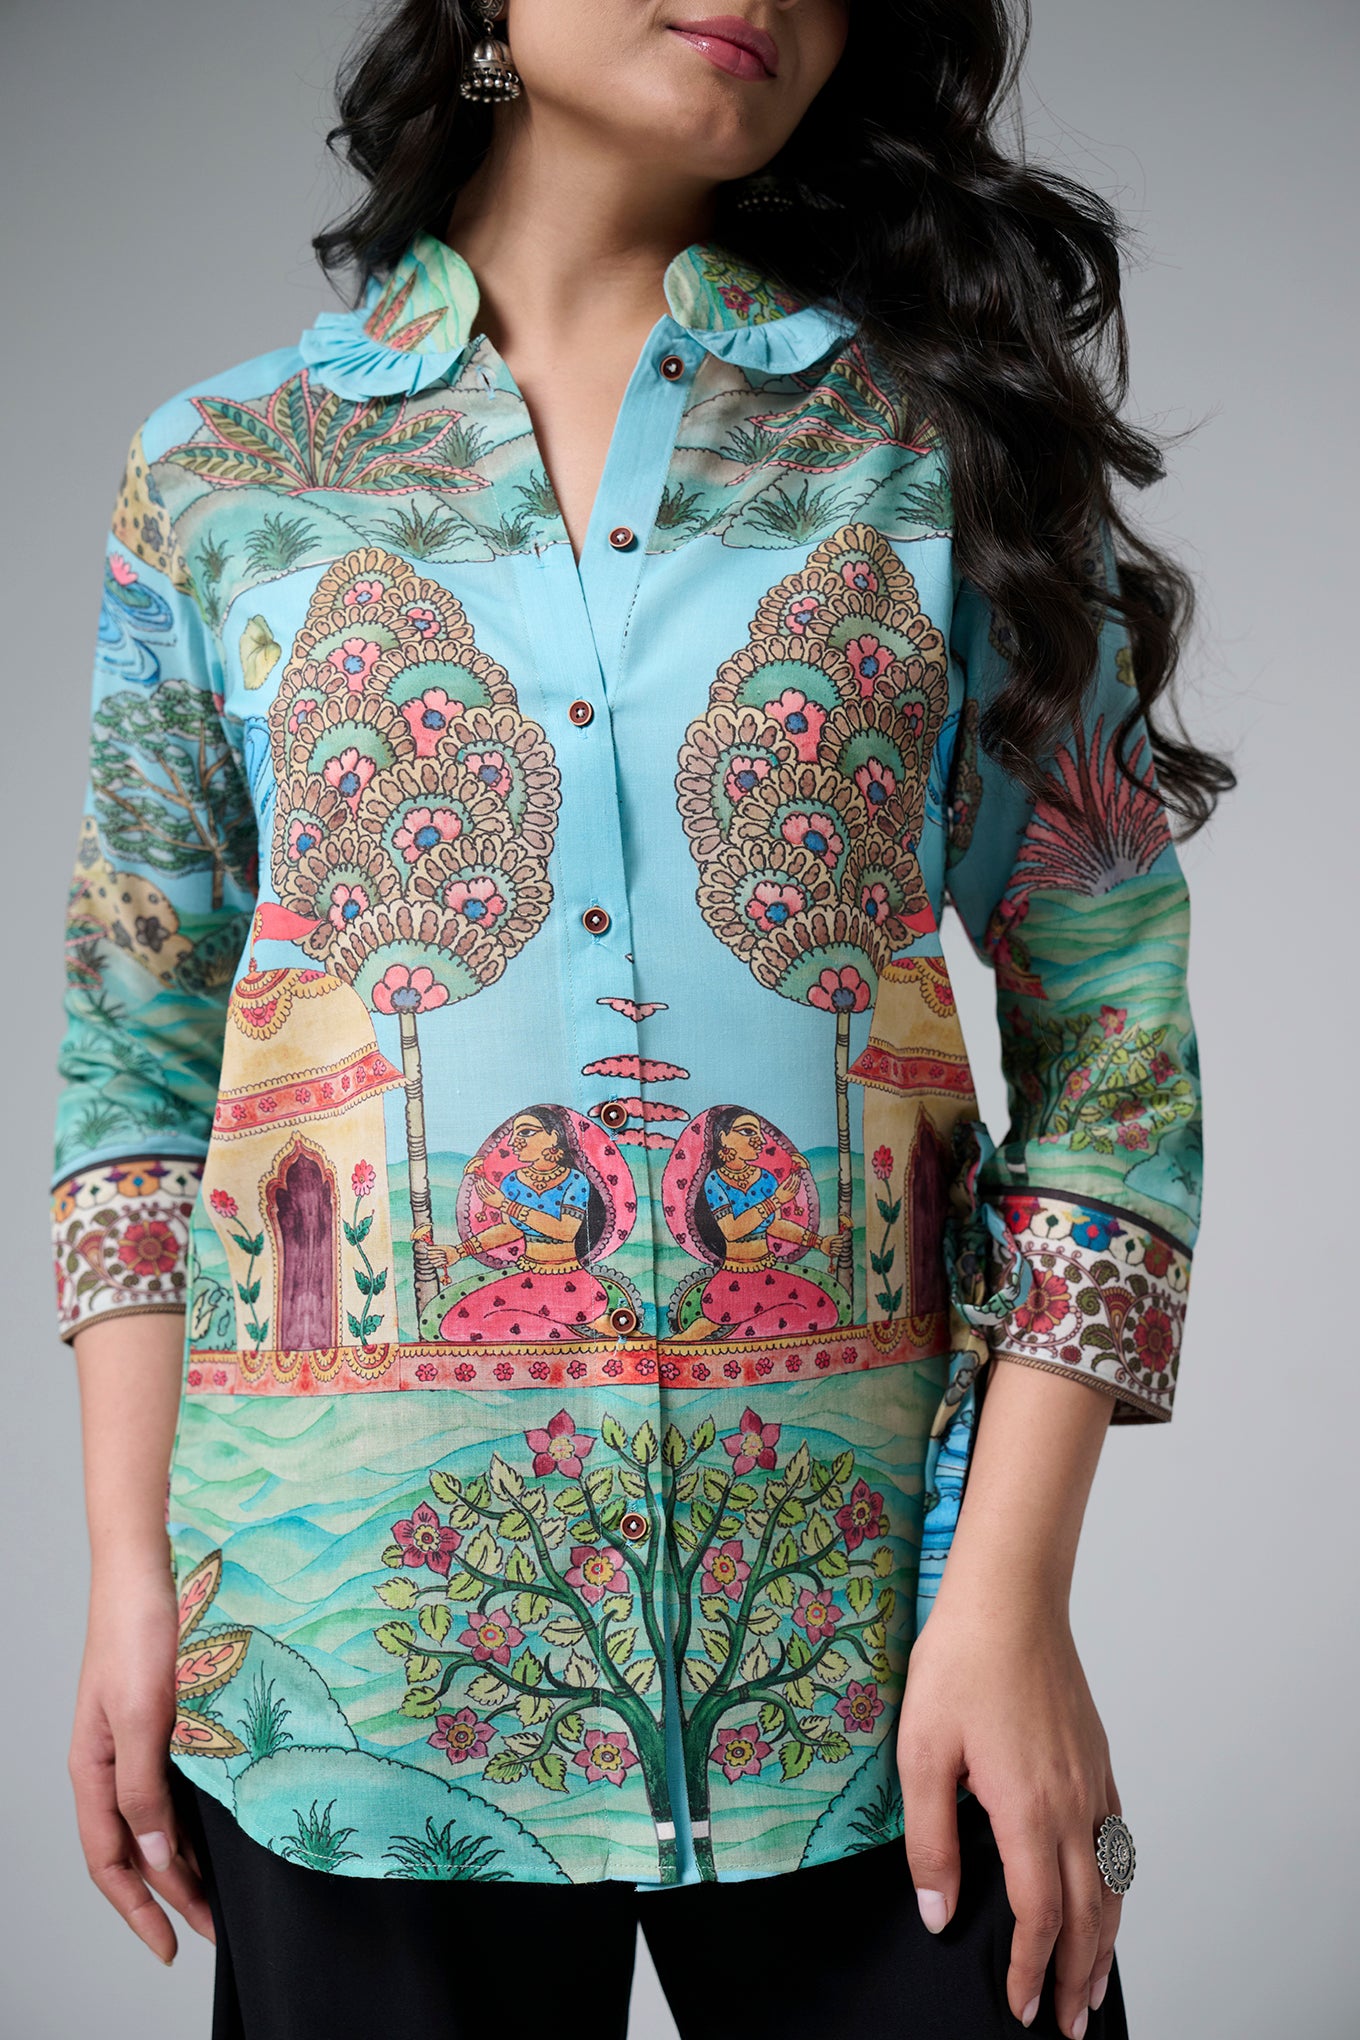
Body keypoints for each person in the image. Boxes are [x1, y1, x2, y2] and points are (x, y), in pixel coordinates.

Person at [51, 4, 1230, 2037]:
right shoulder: (220, 480)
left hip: (881, 1673)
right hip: (348, 1688)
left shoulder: (940, 456)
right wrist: (128, 1569)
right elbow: (135, 1061)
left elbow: (1115, 1034)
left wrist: (1013, 1600)